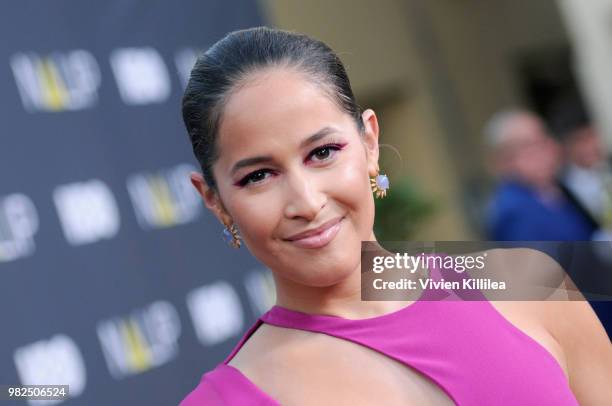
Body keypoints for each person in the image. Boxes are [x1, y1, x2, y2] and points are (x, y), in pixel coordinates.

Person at [180, 27, 611, 405]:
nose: (307, 202)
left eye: (323, 152)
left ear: (369, 143)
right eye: (259, 176)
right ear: (214, 200)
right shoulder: (226, 399)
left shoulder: (530, 285)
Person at [484, 109, 597, 241]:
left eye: (545, 137)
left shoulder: (551, 188)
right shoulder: (515, 213)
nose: (550, 147)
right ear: (505, 159)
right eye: (533, 143)